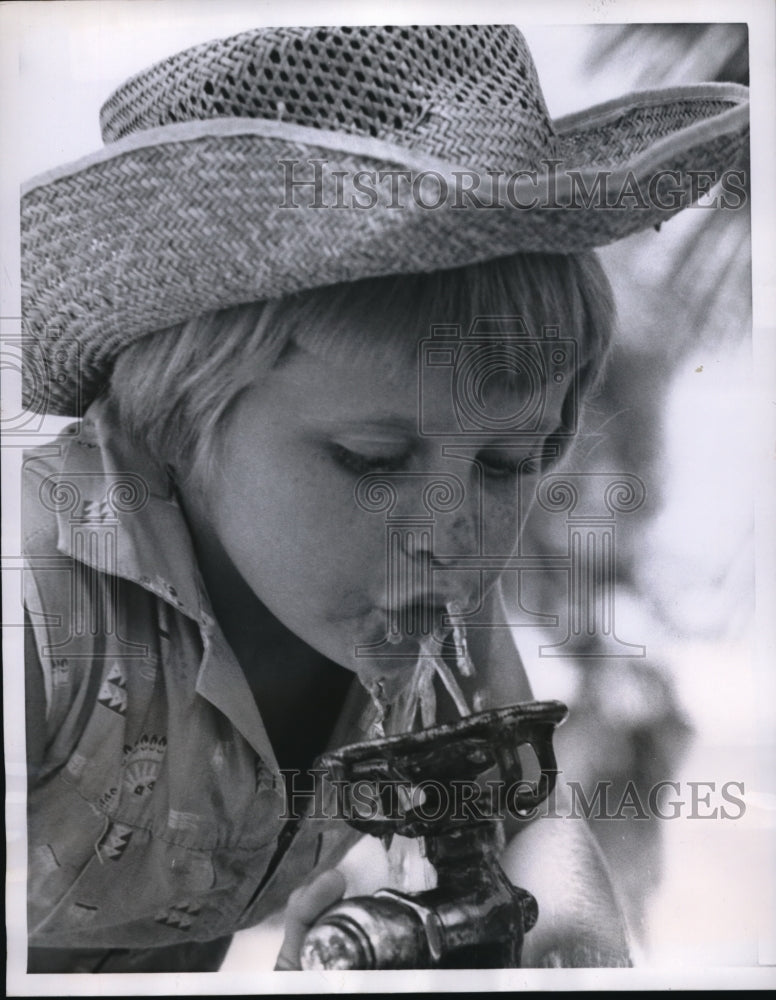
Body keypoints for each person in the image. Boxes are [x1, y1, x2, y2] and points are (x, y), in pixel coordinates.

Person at [20, 24, 749, 973]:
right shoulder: (45, 608)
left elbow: (527, 823)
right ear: (179, 419)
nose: (449, 538)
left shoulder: (427, 613)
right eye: (372, 459)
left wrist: (566, 937)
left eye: (504, 464)